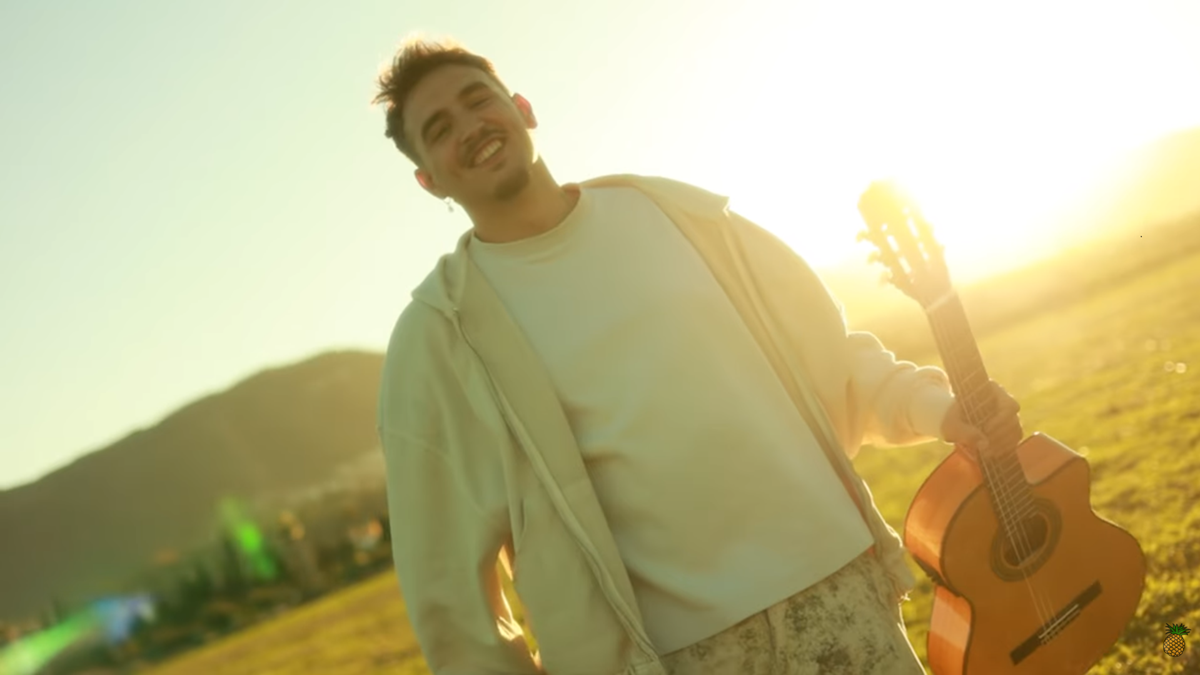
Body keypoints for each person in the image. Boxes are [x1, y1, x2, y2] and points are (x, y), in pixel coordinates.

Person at [371, 35, 1022, 675]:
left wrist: (941, 408)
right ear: (429, 180)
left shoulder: (677, 214)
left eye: (477, 99)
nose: (471, 126)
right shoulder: (439, 338)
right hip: (671, 657)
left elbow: (832, 356)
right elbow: (447, 591)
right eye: (440, 128)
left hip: (836, 589)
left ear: (522, 107)